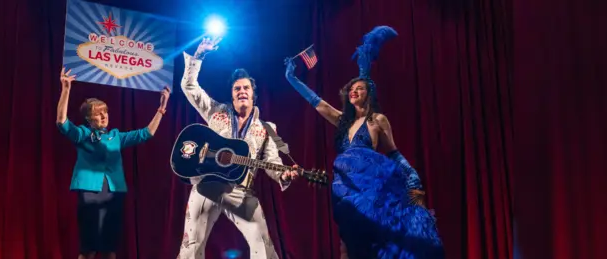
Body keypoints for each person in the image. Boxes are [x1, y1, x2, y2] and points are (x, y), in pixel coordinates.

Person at [283, 26, 444, 258]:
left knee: (373, 242)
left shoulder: (378, 120)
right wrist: (292, 78)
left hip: (372, 189)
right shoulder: (343, 122)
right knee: (347, 242)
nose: (353, 91)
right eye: (351, 88)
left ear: (369, 93)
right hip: (346, 187)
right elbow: (317, 103)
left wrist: (413, 178)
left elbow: (394, 153)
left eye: (359, 88)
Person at [176, 37, 300, 259]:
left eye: (246, 88)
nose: (241, 91)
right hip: (207, 185)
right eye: (236, 89)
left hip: (241, 191)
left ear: (253, 92)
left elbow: (272, 163)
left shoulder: (267, 128)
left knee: (263, 247)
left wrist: (285, 175)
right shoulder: (217, 112)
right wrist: (198, 56)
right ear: (232, 95)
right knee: (190, 249)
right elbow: (189, 86)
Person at [55, 67, 170, 259]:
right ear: (89, 119)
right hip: (90, 192)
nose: (103, 116)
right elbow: (62, 122)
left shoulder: (115, 136)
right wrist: (66, 89)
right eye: (98, 113)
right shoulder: (83, 134)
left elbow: (146, 133)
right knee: (89, 248)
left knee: (110, 248)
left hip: (114, 193)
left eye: (105, 112)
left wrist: (161, 109)